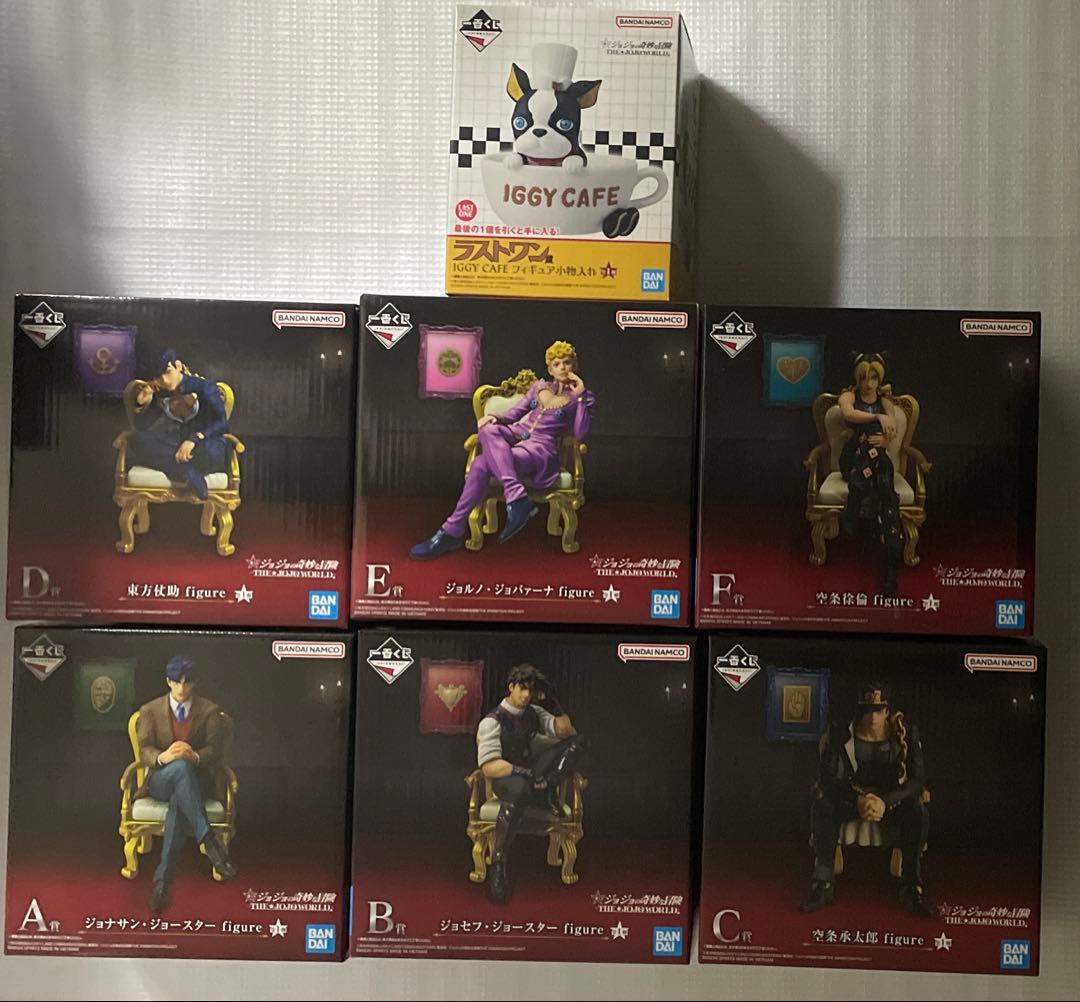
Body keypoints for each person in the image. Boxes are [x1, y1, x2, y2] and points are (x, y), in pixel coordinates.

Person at [410, 340, 595, 559]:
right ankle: (516, 497)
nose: (562, 367)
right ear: (550, 369)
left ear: (574, 366)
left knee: (481, 464)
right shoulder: (539, 387)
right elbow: (514, 415)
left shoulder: (582, 397)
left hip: (541, 450)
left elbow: (581, 433)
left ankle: (451, 531)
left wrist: (581, 396)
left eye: (567, 362)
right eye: (557, 363)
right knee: (488, 429)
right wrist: (495, 417)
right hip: (516, 435)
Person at [800, 682, 932, 917]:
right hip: (851, 799)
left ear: (887, 710)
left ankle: (911, 886)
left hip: (889, 802)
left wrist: (886, 801)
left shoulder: (905, 733)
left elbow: (917, 781)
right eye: (867, 710)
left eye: (878, 710)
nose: (873, 717)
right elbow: (827, 779)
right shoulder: (841, 733)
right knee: (822, 805)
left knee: (916, 811)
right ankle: (822, 883)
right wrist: (857, 800)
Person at [475, 664, 586, 904]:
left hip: (536, 775)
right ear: (511, 687)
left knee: (577, 741)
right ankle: (498, 864)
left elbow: (566, 732)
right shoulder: (492, 721)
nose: (526, 695)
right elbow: (489, 767)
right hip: (507, 778)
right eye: (522, 689)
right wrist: (525, 772)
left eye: (531, 691)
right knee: (519, 789)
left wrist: (554, 702)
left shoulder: (534, 712)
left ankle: (548, 786)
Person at [134, 654, 237, 913]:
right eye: (176, 682)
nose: (182, 688)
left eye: (187, 682)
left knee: (179, 799)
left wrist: (195, 756)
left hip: (196, 781)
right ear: (168, 682)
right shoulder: (150, 710)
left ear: (194, 682)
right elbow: (145, 749)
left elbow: (215, 750)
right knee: (178, 768)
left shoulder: (210, 711)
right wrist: (164, 756)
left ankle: (162, 883)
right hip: (161, 779)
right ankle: (208, 839)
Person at [836, 353, 904, 596]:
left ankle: (890, 563)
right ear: (858, 377)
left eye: (873, 378)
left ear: (879, 378)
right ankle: (892, 553)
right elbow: (849, 414)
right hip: (853, 457)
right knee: (876, 467)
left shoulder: (885, 402)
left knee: (884, 485)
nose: (868, 383)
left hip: (876, 459)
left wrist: (885, 438)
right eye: (864, 378)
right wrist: (877, 417)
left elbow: (891, 430)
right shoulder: (849, 396)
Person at [129, 349, 230, 502]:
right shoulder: (159, 393)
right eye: (158, 377)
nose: (164, 380)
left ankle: (177, 467)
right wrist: (143, 403)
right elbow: (142, 427)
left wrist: (195, 439)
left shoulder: (205, 387)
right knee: (138, 439)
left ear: (178, 366)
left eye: (167, 372)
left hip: (202, 444)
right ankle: (185, 471)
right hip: (173, 445)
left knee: (213, 452)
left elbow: (222, 423)